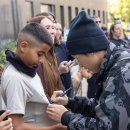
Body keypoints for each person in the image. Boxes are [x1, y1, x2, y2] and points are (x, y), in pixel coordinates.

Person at [46, 11, 130, 130]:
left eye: (78, 59)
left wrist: (66, 117)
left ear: (91, 51)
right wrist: (70, 102)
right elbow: (102, 107)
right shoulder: (113, 63)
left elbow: (105, 127)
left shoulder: (122, 70)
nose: (80, 65)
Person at [1, 23, 66, 130]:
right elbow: (17, 126)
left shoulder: (27, 67)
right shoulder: (15, 78)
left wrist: (49, 101)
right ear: (23, 46)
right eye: (40, 54)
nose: (41, 60)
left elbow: (32, 99)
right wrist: (53, 129)